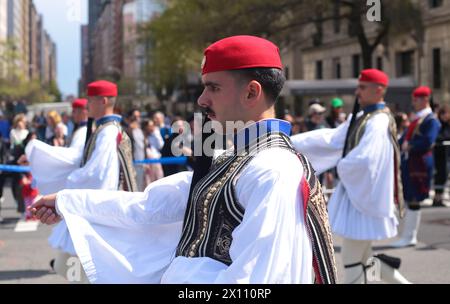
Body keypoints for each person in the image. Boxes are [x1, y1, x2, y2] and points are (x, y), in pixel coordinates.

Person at [30, 35, 337, 284]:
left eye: (213, 88)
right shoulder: (235, 159)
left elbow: (258, 281)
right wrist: (67, 202)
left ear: (251, 93)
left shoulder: (272, 169)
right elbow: (151, 206)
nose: (202, 101)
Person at [292, 69, 410, 284]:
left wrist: (343, 165)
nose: (358, 92)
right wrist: (293, 142)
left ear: (379, 90)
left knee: (352, 260)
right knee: (366, 260)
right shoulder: (366, 117)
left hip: (363, 199)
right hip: (362, 197)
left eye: (363, 87)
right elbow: (333, 139)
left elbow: (366, 160)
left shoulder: (377, 121)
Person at [24, 81, 138, 283]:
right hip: (97, 208)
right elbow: (81, 161)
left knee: (86, 268)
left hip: (100, 209)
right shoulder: (103, 129)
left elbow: (97, 175)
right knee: (74, 266)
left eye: (91, 100)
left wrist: (68, 185)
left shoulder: (108, 131)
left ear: (103, 101)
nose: (87, 105)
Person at [389, 86, 441, 247]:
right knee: (410, 196)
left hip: (419, 162)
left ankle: (410, 236)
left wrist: (409, 145)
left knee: (414, 197)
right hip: (411, 161)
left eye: (416, 99)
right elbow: (404, 137)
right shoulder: (418, 118)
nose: (414, 102)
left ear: (425, 99)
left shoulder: (430, 120)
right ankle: (408, 235)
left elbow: (428, 141)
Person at [433, 105, 450, 207]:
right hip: (439, 155)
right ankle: (437, 198)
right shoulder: (437, 125)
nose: (445, 116)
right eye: (443, 113)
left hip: (447, 155)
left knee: (445, 175)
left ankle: (440, 197)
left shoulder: (448, 125)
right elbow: (438, 137)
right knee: (439, 175)